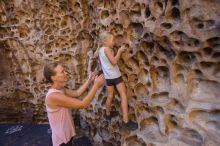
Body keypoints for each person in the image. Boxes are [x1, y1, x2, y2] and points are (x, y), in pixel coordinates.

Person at [43, 62, 104, 146]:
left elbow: (77, 93)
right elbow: (82, 104)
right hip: (61, 140)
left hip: (66, 135)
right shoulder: (54, 96)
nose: (66, 73)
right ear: (53, 78)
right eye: (62, 72)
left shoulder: (60, 89)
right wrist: (96, 86)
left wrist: (89, 80)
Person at [95, 32, 138, 130]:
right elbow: (114, 61)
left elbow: (98, 57)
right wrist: (119, 51)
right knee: (123, 95)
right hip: (116, 76)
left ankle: (108, 114)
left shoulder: (101, 50)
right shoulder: (107, 49)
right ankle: (126, 122)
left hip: (108, 78)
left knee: (110, 96)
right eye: (112, 40)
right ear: (105, 42)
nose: (114, 42)